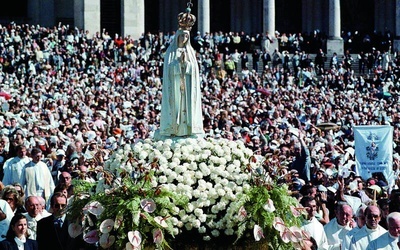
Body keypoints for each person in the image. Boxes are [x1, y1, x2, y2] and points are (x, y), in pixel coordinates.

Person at [156, 8, 204, 139]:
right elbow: (168, 71)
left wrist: (186, 64)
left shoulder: (190, 52)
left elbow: (194, 70)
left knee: (187, 107)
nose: (184, 38)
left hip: (187, 86)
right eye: (182, 36)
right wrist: (178, 64)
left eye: (186, 36)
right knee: (177, 105)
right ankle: (174, 128)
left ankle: (189, 127)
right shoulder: (171, 52)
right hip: (176, 85)